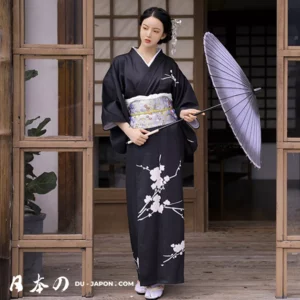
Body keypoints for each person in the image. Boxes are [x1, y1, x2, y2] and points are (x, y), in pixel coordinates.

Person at [101, 7, 200, 300]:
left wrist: (186, 112)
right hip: (139, 142)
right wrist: (129, 131)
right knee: (140, 207)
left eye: (156, 30)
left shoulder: (170, 66)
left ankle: (161, 277)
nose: (149, 34)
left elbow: (184, 102)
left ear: (164, 35)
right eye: (146, 27)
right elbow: (111, 104)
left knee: (167, 207)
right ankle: (145, 274)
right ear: (140, 27)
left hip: (168, 141)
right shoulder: (121, 64)